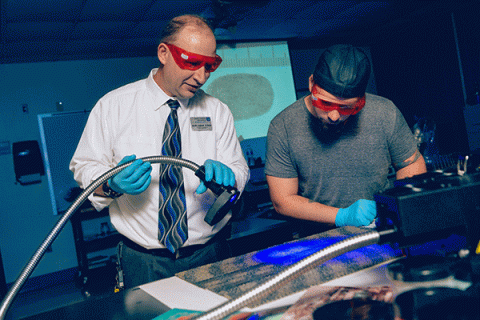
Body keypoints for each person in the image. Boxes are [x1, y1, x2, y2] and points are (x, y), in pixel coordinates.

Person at [70, 14, 249, 289]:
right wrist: (111, 183)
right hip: (143, 262)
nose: (201, 77)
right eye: (191, 62)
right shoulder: (113, 107)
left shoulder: (217, 111)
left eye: (210, 65)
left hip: (209, 254)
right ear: (164, 53)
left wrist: (231, 176)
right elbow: (84, 166)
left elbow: (239, 168)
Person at [264, 44, 426, 229]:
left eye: (347, 107)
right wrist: (341, 216)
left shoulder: (385, 112)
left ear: (361, 98)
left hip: (381, 227)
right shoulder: (283, 126)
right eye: (325, 103)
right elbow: (282, 200)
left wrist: (395, 207)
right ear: (311, 84)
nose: (334, 116)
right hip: (320, 237)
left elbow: (411, 163)